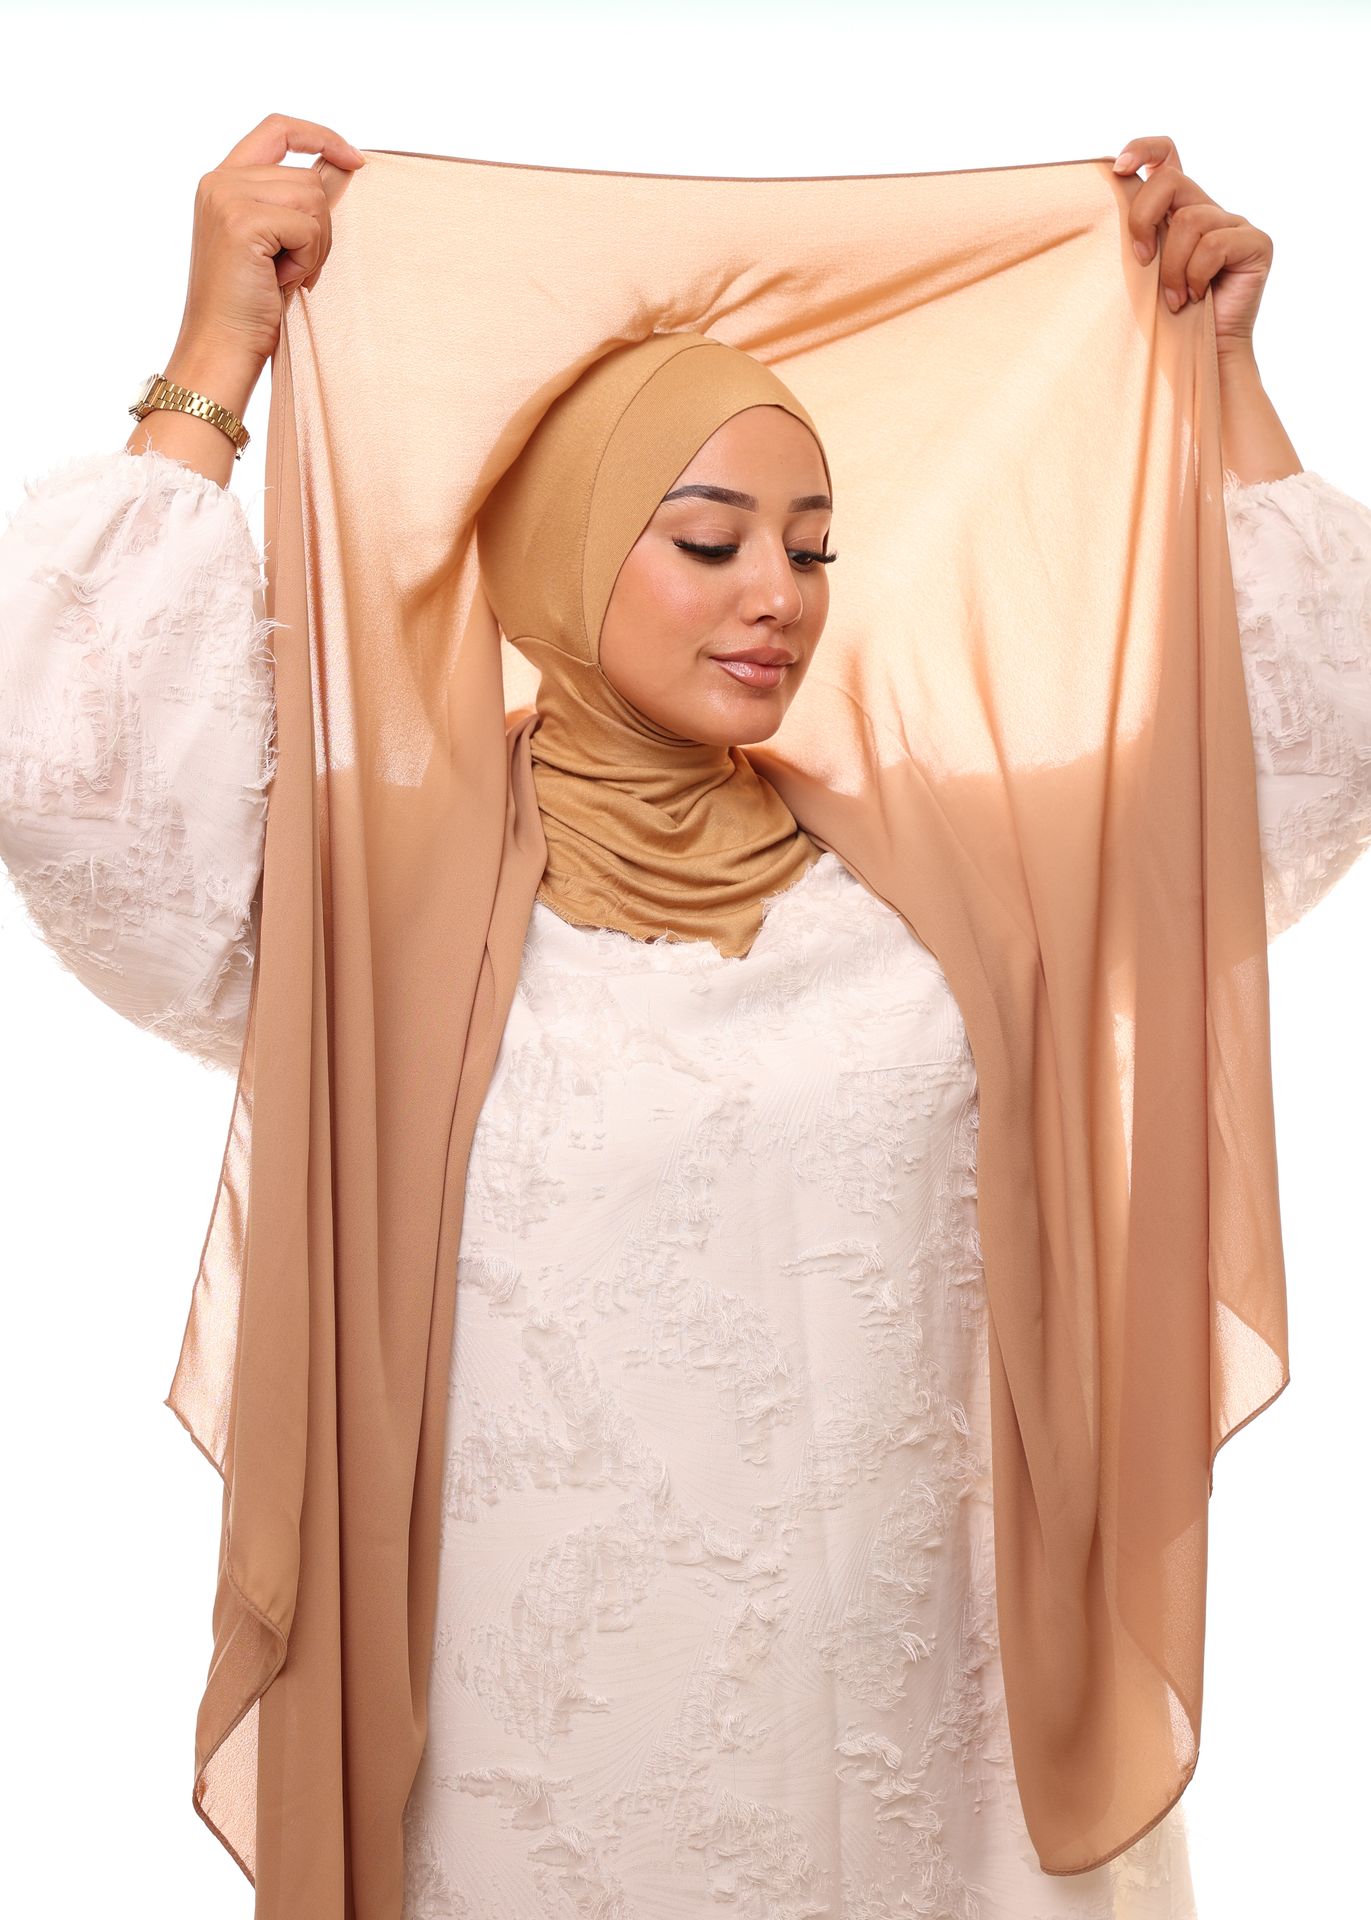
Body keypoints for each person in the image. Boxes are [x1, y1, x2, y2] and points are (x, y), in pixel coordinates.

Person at [3, 116, 1371, 1919]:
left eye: (812, 547)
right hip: (540, 1771)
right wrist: (214, 354)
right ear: (563, 551)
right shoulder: (373, 901)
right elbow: (73, 771)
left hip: (926, 1768)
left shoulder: (942, 878)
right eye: (710, 540)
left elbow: (1295, 744)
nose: (777, 598)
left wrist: (1223, 372)